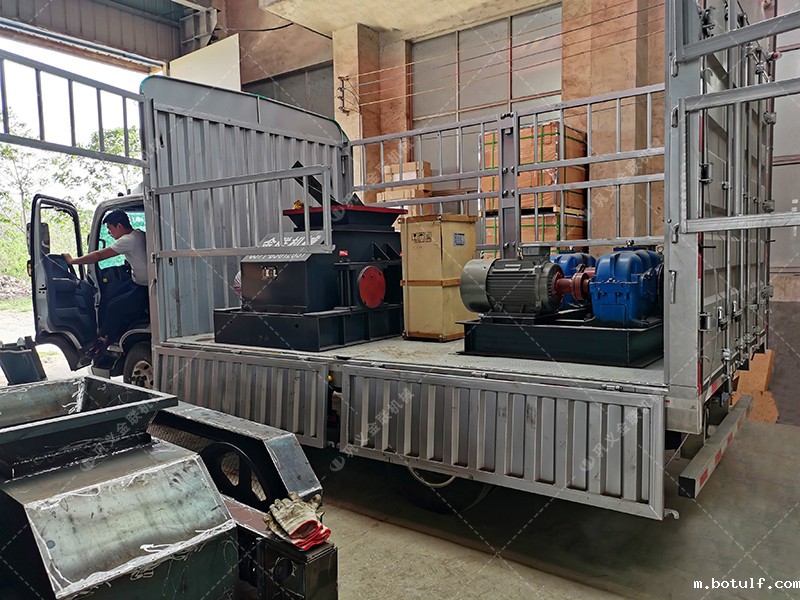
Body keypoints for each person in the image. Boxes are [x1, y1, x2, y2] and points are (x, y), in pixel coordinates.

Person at [64, 209, 148, 357]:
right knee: (112, 296)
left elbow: (99, 255)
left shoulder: (127, 240)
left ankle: (102, 342)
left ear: (119, 226)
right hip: (139, 283)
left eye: (110, 229)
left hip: (144, 287)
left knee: (113, 306)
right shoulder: (139, 234)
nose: (110, 233)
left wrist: (72, 261)